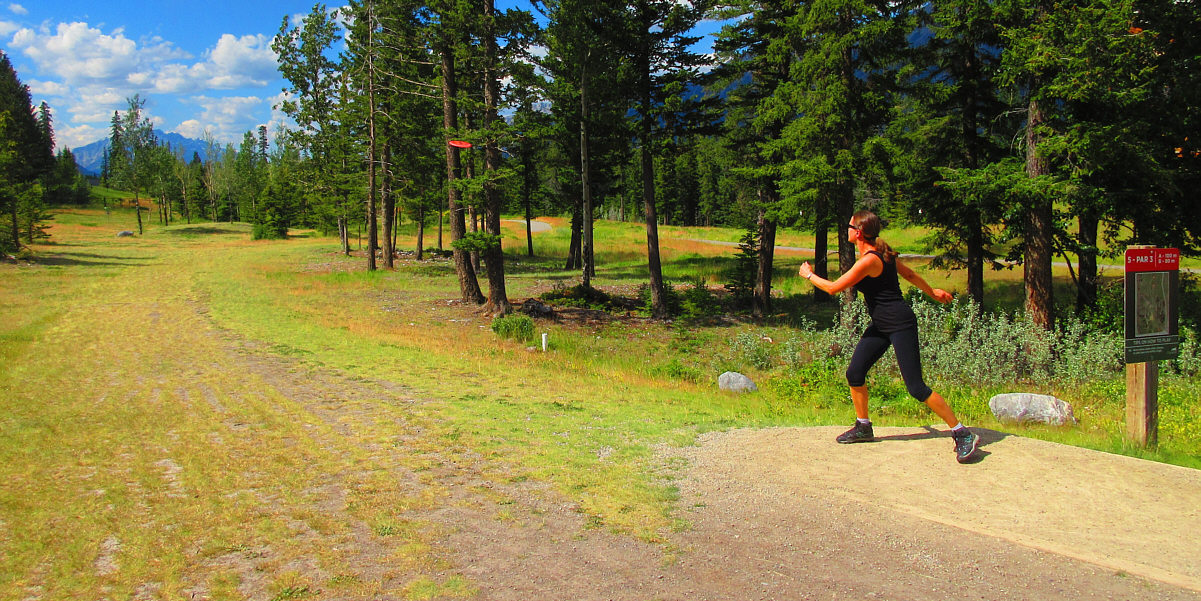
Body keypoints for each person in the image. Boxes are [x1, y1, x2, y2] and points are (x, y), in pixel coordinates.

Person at [798, 210, 981, 463]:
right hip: (882, 325)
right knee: (855, 373)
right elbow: (909, 274)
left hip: (900, 324)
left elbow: (833, 288)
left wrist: (808, 275)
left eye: (849, 226)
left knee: (916, 387)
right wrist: (932, 292)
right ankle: (863, 426)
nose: (847, 229)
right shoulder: (880, 252)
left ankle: (962, 433)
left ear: (859, 232)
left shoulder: (870, 260)